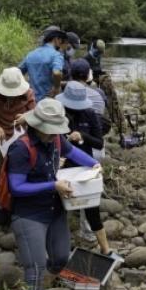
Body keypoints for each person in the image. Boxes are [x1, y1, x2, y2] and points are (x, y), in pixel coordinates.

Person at [7, 98, 99, 290]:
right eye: (48, 131)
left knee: (59, 260)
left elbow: (74, 153)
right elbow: (16, 187)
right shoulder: (21, 148)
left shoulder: (57, 139)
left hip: (55, 209)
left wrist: (93, 164)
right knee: (35, 269)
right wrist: (53, 185)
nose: (52, 134)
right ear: (36, 125)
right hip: (29, 214)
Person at [56, 81, 117, 257]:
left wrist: (82, 135)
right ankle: (60, 246)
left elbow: (99, 142)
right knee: (60, 207)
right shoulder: (58, 114)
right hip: (63, 164)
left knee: (91, 209)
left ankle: (105, 249)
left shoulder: (89, 114)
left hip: (85, 164)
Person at [0, 67, 36, 173]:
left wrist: (27, 116)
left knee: (21, 171)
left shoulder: (28, 94)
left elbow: (36, 114)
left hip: (21, 140)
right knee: (2, 173)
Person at [19, 29, 69, 101]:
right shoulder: (56, 55)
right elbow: (57, 73)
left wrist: (26, 86)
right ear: (57, 39)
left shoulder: (31, 54)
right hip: (48, 99)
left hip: (31, 99)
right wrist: (56, 87)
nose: (65, 47)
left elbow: (18, 71)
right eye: (65, 44)